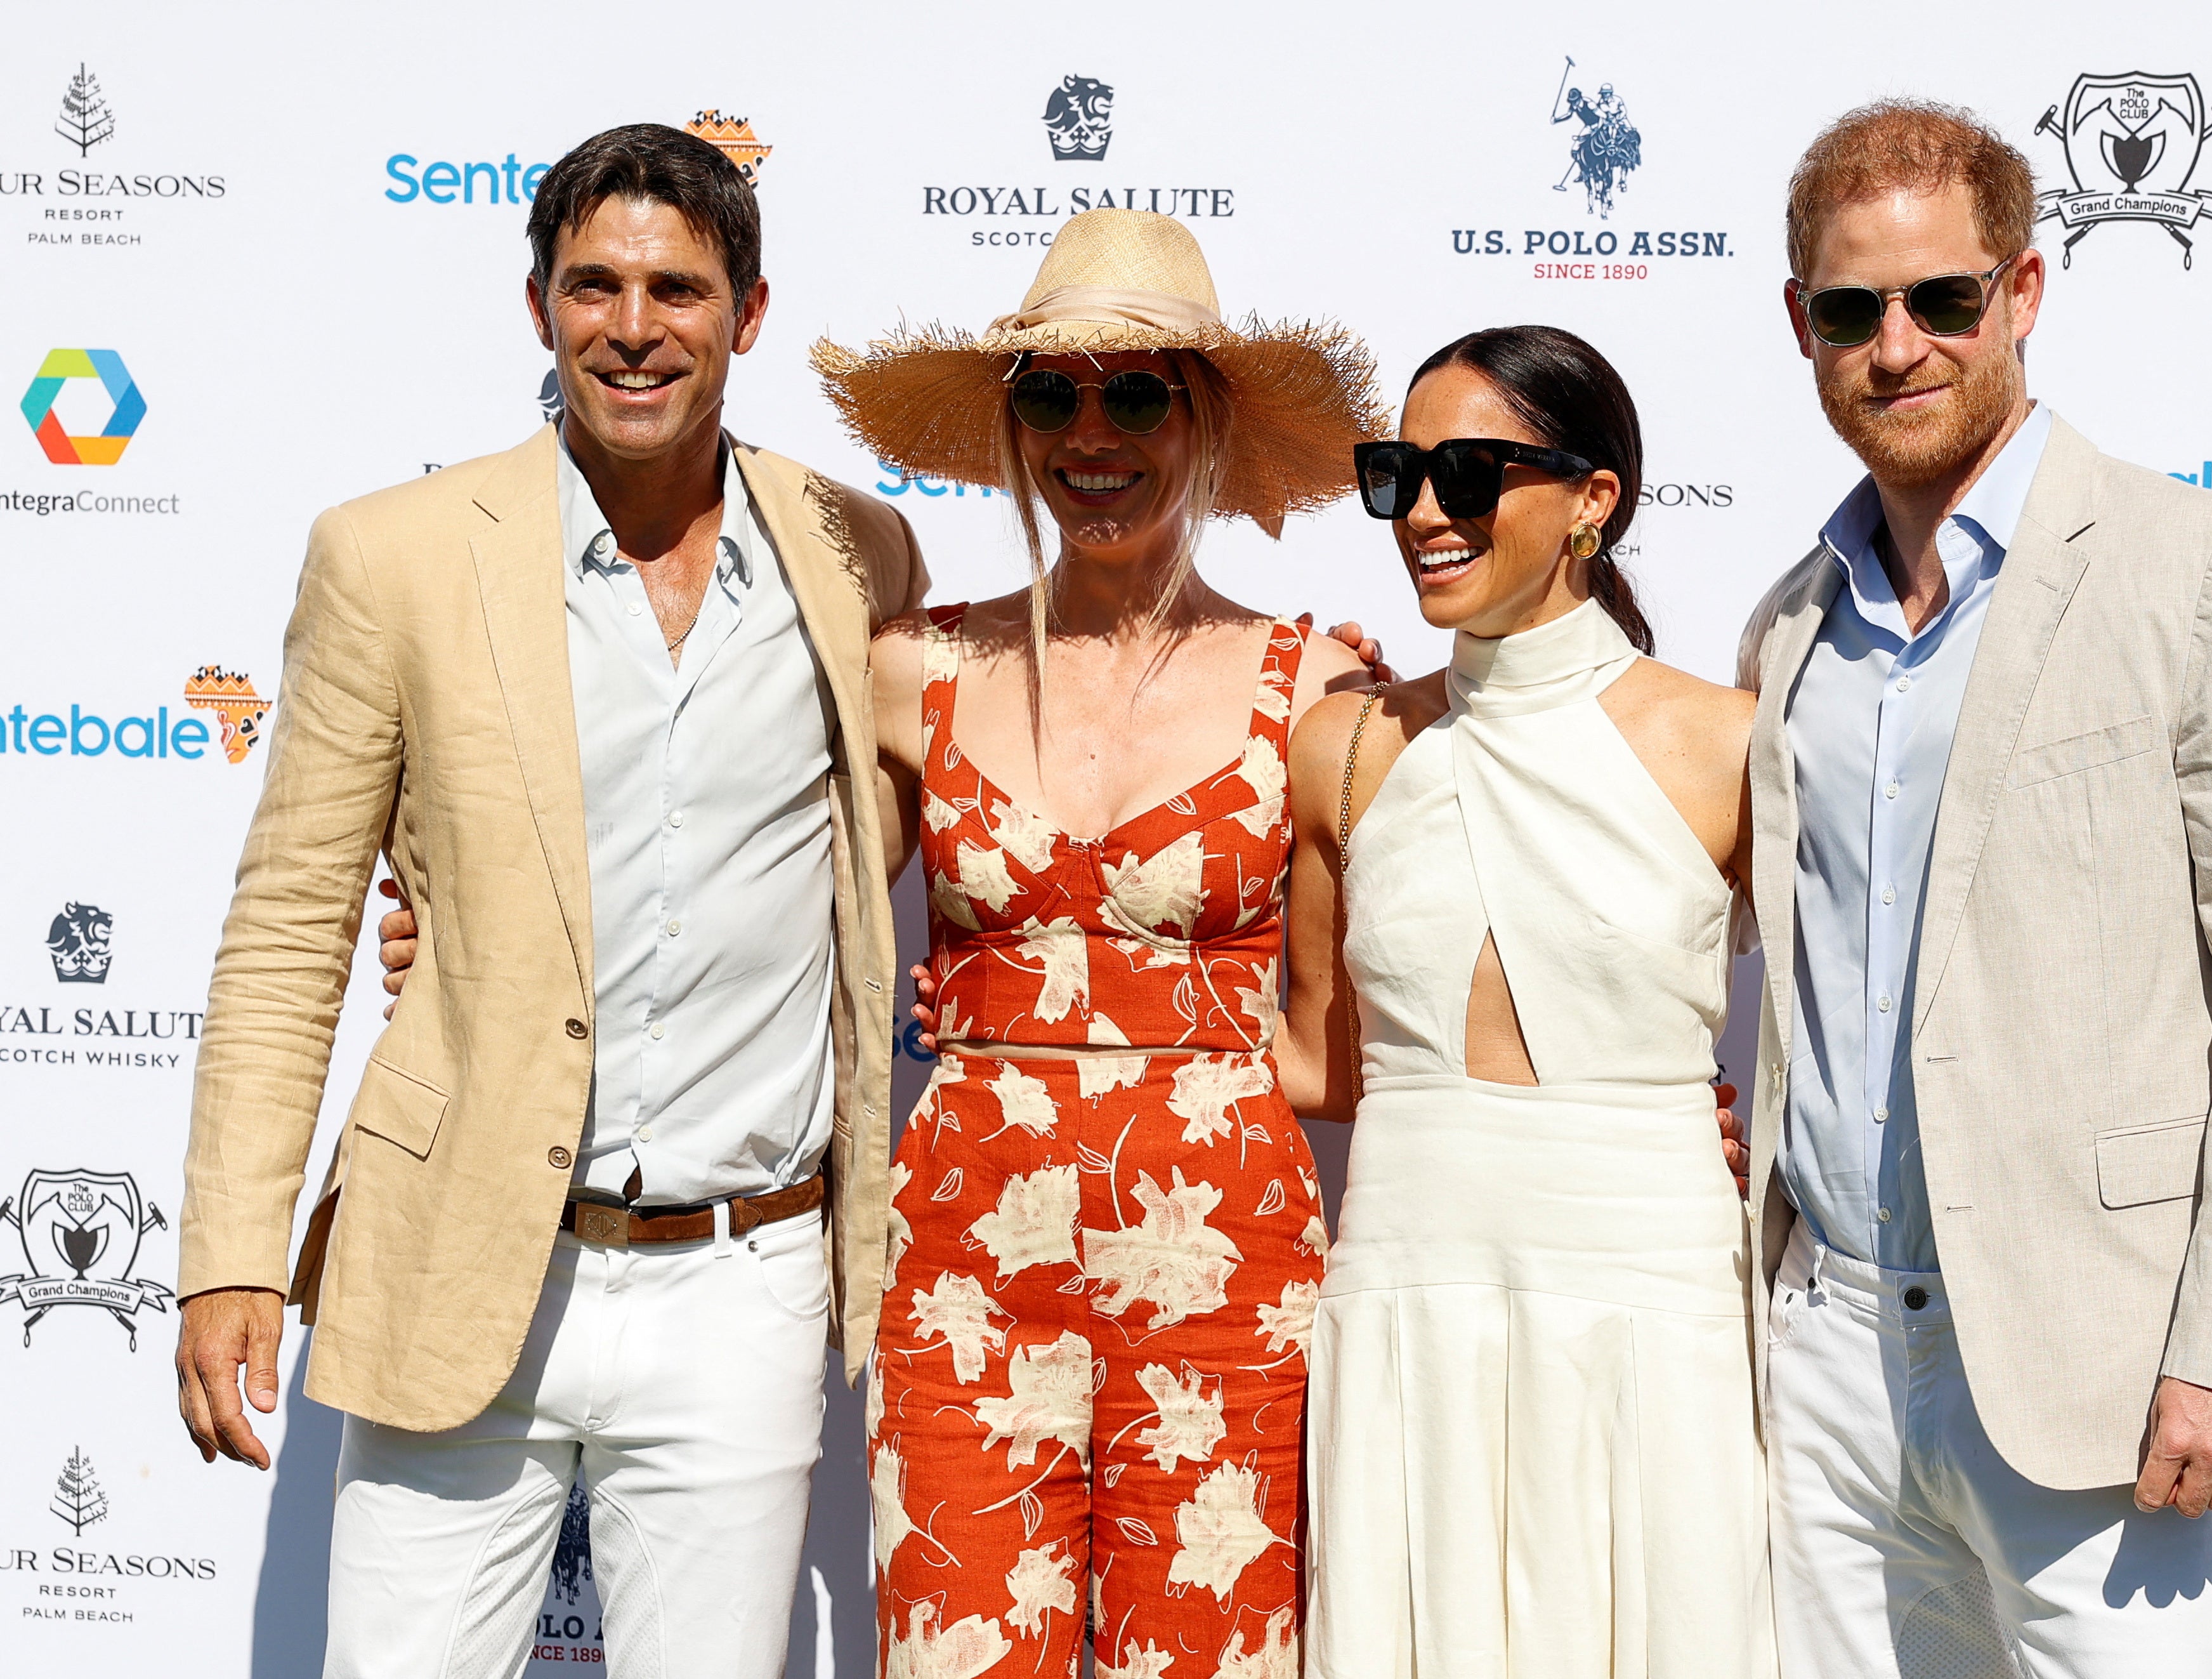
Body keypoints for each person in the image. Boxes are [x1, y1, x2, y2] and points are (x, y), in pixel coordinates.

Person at [172, 123, 927, 1678]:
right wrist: (233, 1250)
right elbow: (289, 926)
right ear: (538, 307)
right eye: (593, 285)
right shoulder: (390, 558)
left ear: (751, 313)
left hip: (747, 1276)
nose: (633, 326)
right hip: (463, 1256)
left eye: (677, 288)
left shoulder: (861, 552)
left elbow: (883, 853)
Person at [1739, 101, 2212, 1676]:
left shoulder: (2201, 570)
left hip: (2096, 1363)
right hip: (1821, 1359)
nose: (1897, 348)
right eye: (1850, 310)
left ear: (2020, 294)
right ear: (1799, 327)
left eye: (1941, 301)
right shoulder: (1784, 628)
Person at [820, 209, 1382, 1678]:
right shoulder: (909, 673)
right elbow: (763, 918)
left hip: (1229, 1274)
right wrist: (482, 929)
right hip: (960, 1268)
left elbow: (1430, 947)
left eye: (1135, 393)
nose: (1091, 433)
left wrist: (1633, 1097)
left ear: (1201, 421)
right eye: (1049, 394)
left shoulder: (1312, 682)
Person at [1282, 325, 1774, 1678]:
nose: (1425, 514)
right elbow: (1312, 1062)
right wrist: (1036, 1002)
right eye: (1398, 475)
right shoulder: (1343, 743)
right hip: (1405, 1275)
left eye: (1470, 474)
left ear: (1592, 502)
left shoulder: (1728, 743)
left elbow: (1843, 1032)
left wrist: (1755, 1136)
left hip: (1649, 1280)